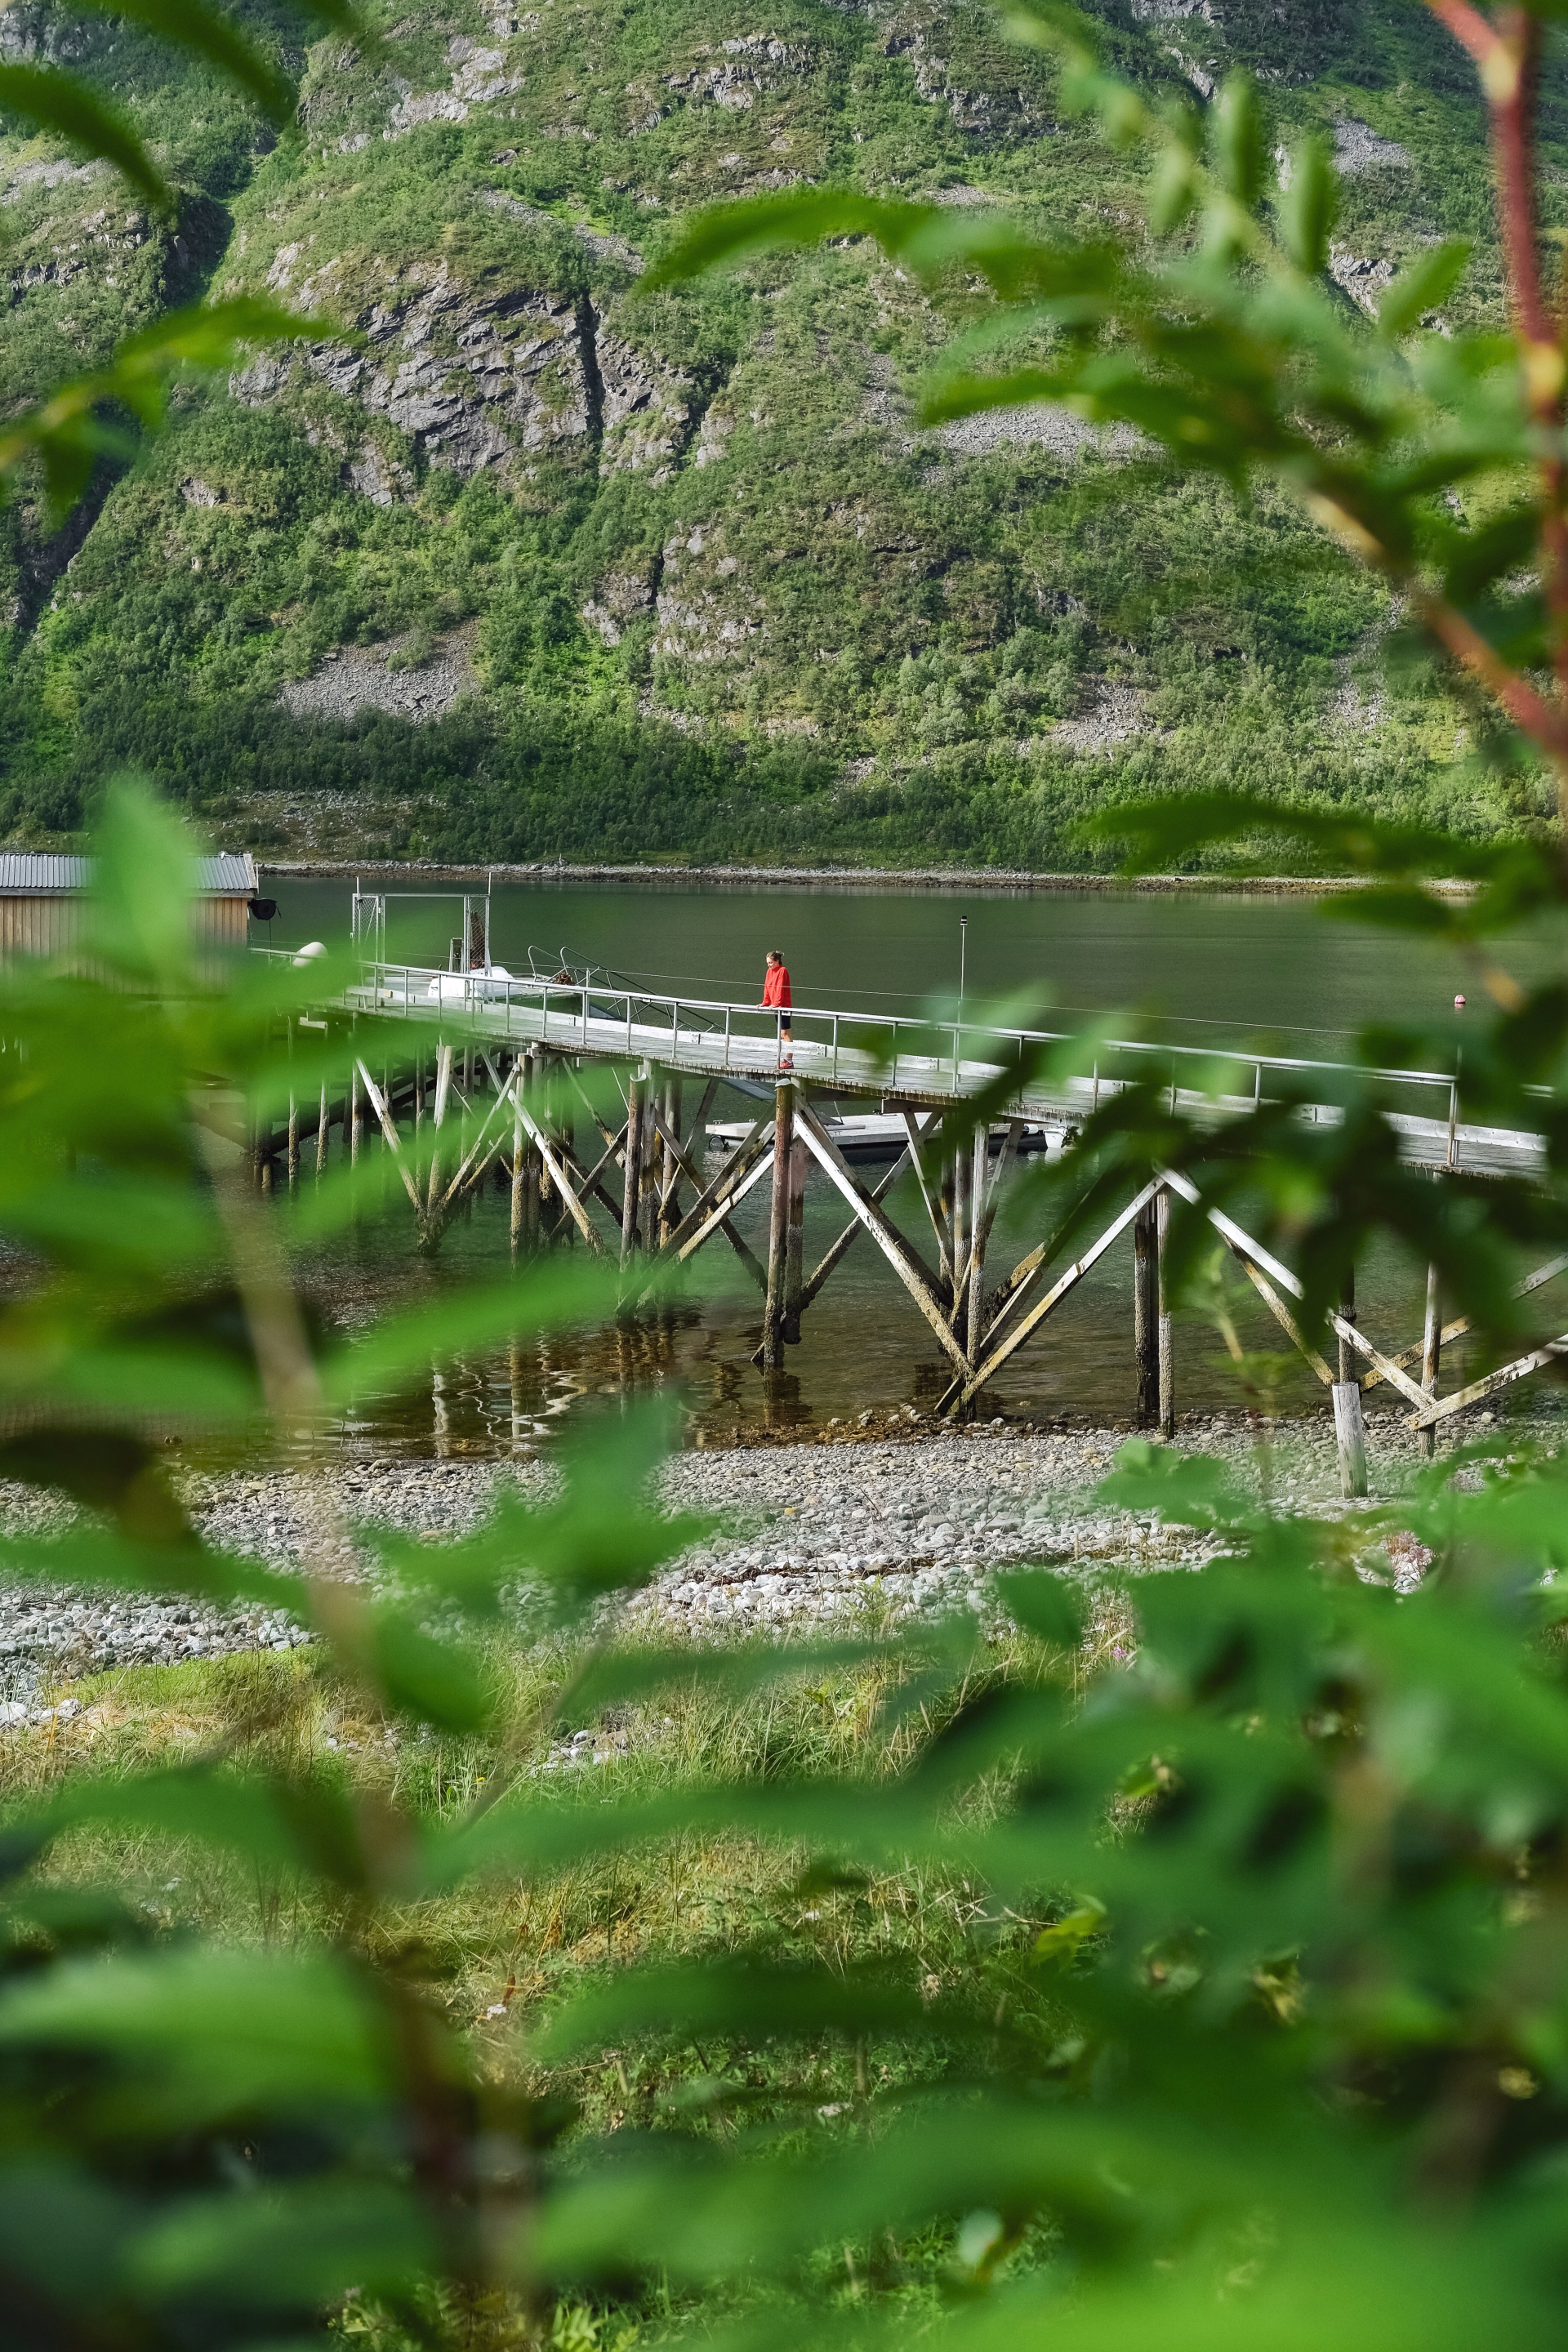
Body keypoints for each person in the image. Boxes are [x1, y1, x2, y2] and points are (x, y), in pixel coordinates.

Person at [762, 947, 793, 1069]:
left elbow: (780, 987)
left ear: (777, 961)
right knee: (782, 1033)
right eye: (768, 963)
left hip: (784, 1006)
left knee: (786, 1033)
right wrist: (765, 1003)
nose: (769, 965)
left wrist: (777, 1003)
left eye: (771, 963)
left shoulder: (782, 970)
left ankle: (789, 1060)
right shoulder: (769, 971)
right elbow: (767, 987)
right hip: (775, 1006)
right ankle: (787, 1059)